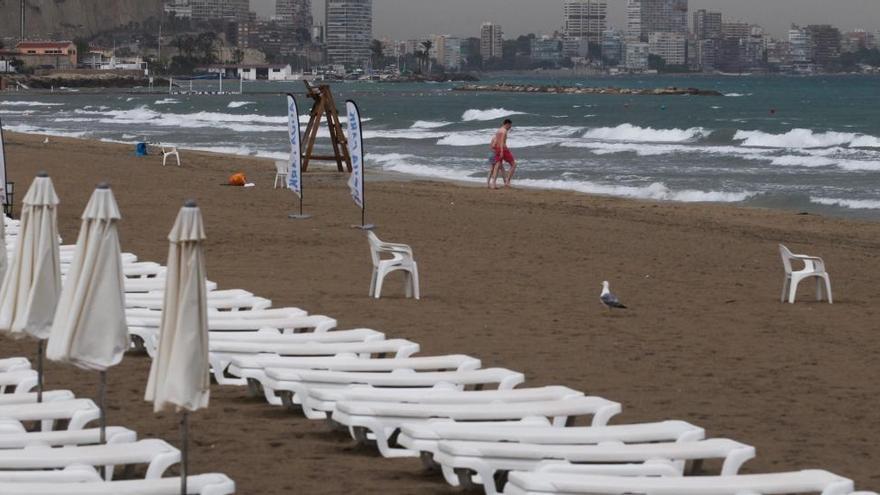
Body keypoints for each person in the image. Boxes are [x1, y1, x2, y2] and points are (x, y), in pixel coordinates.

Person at [487, 119, 516, 189]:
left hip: (497, 149)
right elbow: (502, 141)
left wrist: (496, 150)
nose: (510, 128)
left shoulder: (498, 131)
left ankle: (493, 184)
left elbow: (495, 142)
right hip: (503, 149)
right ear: (507, 124)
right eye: (510, 126)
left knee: (496, 166)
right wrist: (502, 151)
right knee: (514, 164)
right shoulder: (504, 131)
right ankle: (507, 182)